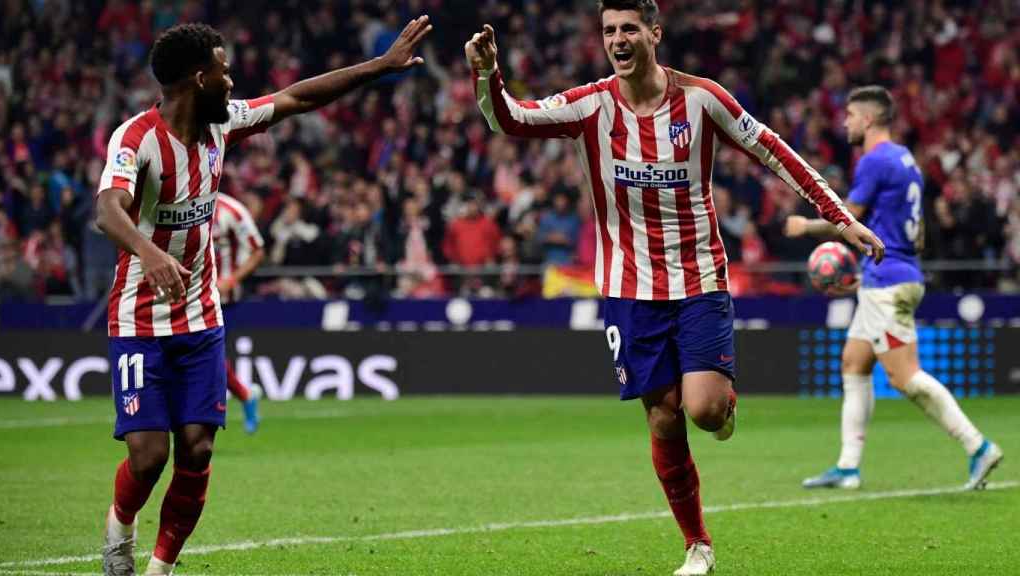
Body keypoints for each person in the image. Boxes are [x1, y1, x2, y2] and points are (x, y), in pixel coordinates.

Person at [466, 2, 884, 574]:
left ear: (653, 34)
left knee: (705, 412)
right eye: (609, 30)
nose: (618, 39)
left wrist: (839, 216)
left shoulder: (702, 99)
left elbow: (772, 150)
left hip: (698, 278)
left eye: (629, 29)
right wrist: (488, 75)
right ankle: (698, 545)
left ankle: (723, 405)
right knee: (664, 418)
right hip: (627, 288)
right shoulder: (589, 106)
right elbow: (511, 119)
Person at [95, 18, 431, 575]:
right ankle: (119, 531)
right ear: (198, 78)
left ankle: (159, 571)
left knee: (198, 449)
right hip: (137, 319)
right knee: (149, 456)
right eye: (224, 72)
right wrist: (149, 254)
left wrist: (380, 67)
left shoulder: (223, 125)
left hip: (201, 316)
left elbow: (298, 97)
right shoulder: (136, 140)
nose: (233, 82)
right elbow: (108, 208)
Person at [786, 86, 1003, 491]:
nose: (845, 121)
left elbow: (849, 217)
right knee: (854, 362)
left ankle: (978, 446)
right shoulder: (907, 160)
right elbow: (917, 235)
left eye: (850, 114)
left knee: (905, 376)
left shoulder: (875, 160)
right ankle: (848, 467)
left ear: (868, 119)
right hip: (895, 274)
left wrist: (806, 227)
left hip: (888, 282)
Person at [213, 192, 265, 434]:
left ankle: (243, 396)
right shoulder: (177, 201)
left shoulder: (232, 210)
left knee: (208, 356)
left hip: (221, 298)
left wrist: (231, 279)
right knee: (203, 357)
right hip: (188, 296)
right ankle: (245, 395)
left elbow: (257, 251)